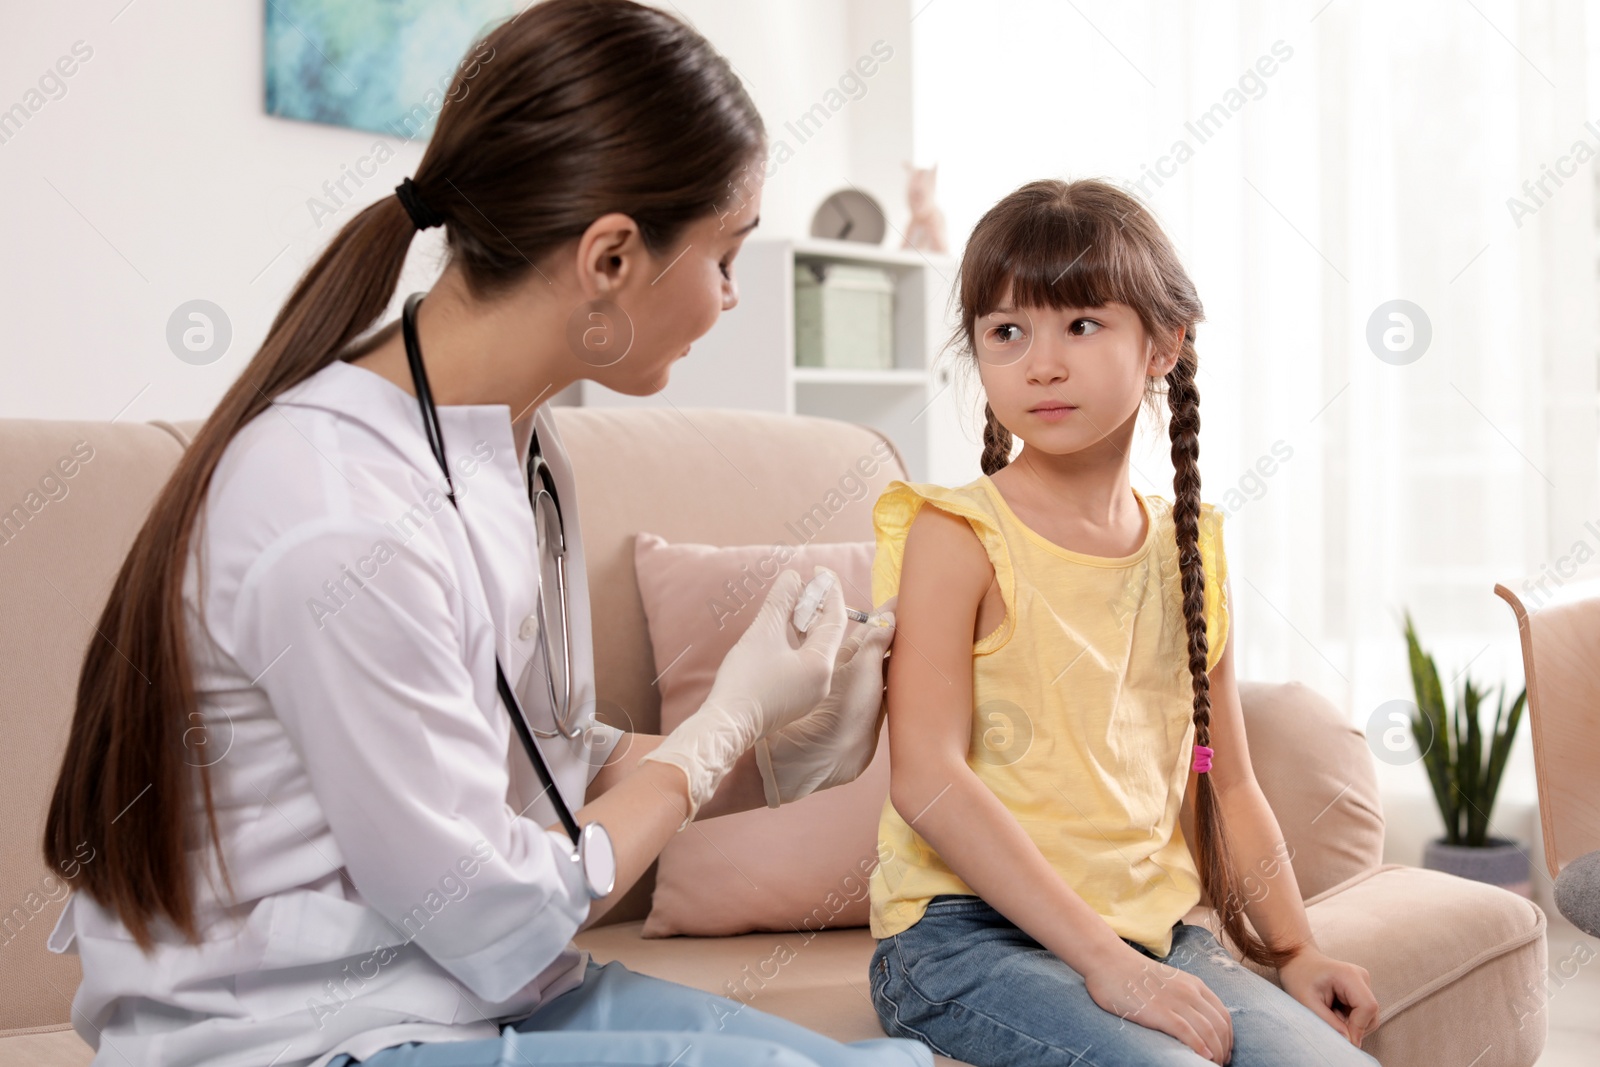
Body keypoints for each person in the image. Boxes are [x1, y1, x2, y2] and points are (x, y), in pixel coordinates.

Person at [40, 3, 922, 1066]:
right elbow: (491, 907)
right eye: (726, 256)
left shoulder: (507, 449)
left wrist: (782, 744)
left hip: (466, 997)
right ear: (610, 257)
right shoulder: (337, 513)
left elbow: (529, 769)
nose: (732, 297)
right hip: (310, 1039)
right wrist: (721, 727)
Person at [862, 178, 1384, 1066]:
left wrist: (1294, 948)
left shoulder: (1191, 548)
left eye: (1081, 324)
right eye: (1006, 332)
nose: (1041, 363)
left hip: (1156, 931)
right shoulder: (956, 534)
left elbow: (1225, 781)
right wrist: (1107, 963)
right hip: (959, 940)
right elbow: (926, 775)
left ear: (1164, 344)